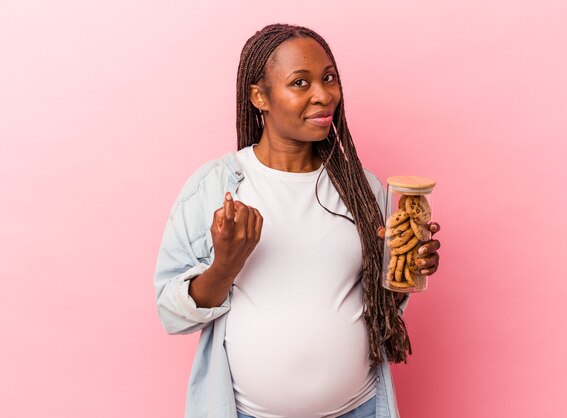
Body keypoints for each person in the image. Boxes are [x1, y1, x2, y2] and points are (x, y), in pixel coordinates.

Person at [154, 23, 441, 418]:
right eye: (300, 83)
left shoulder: (361, 188)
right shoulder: (215, 187)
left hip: (358, 408)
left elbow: (376, 303)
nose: (323, 95)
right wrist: (225, 266)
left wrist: (406, 266)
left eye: (329, 78)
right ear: (259, 96)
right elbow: (171, 313)